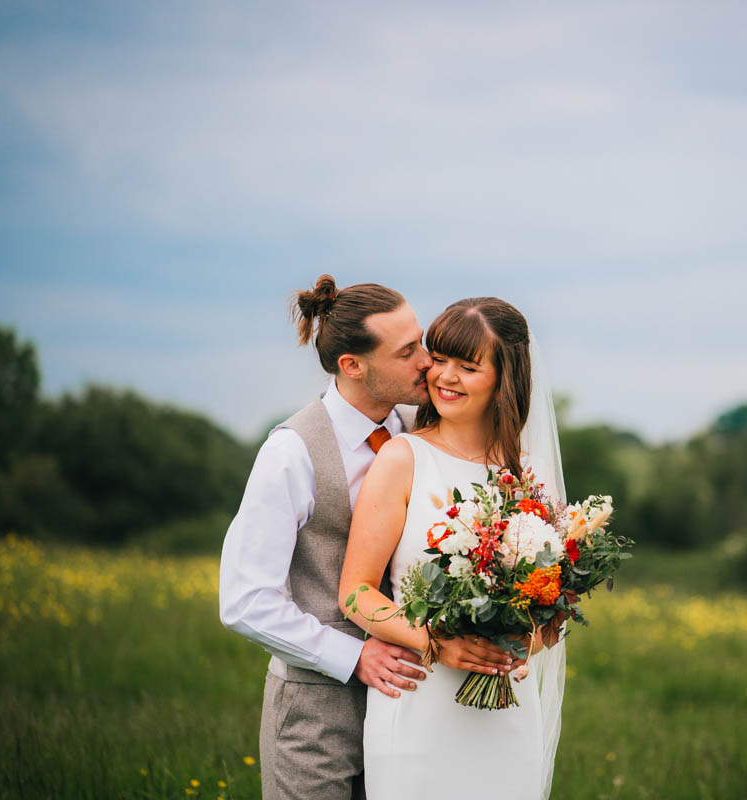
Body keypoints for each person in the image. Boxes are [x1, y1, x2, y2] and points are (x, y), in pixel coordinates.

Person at [219, 276, 515, 800]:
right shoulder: (291, 452)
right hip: (317, 712)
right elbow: (245, 602)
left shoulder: (422, 434)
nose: (428, 361)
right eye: (407, 352)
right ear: (353, 366)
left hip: (417, 707)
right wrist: (353, 657)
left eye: (421, 340)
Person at [338, 297, 563, 800]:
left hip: (509, 718)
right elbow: (354, 593)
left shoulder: (530, 476)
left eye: (468, 365)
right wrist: (437, 643)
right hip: (419, 708)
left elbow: (554, 611)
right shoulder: (402, 458)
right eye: (439, 358)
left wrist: (522, 644)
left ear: (505, 378)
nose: (445, 376)